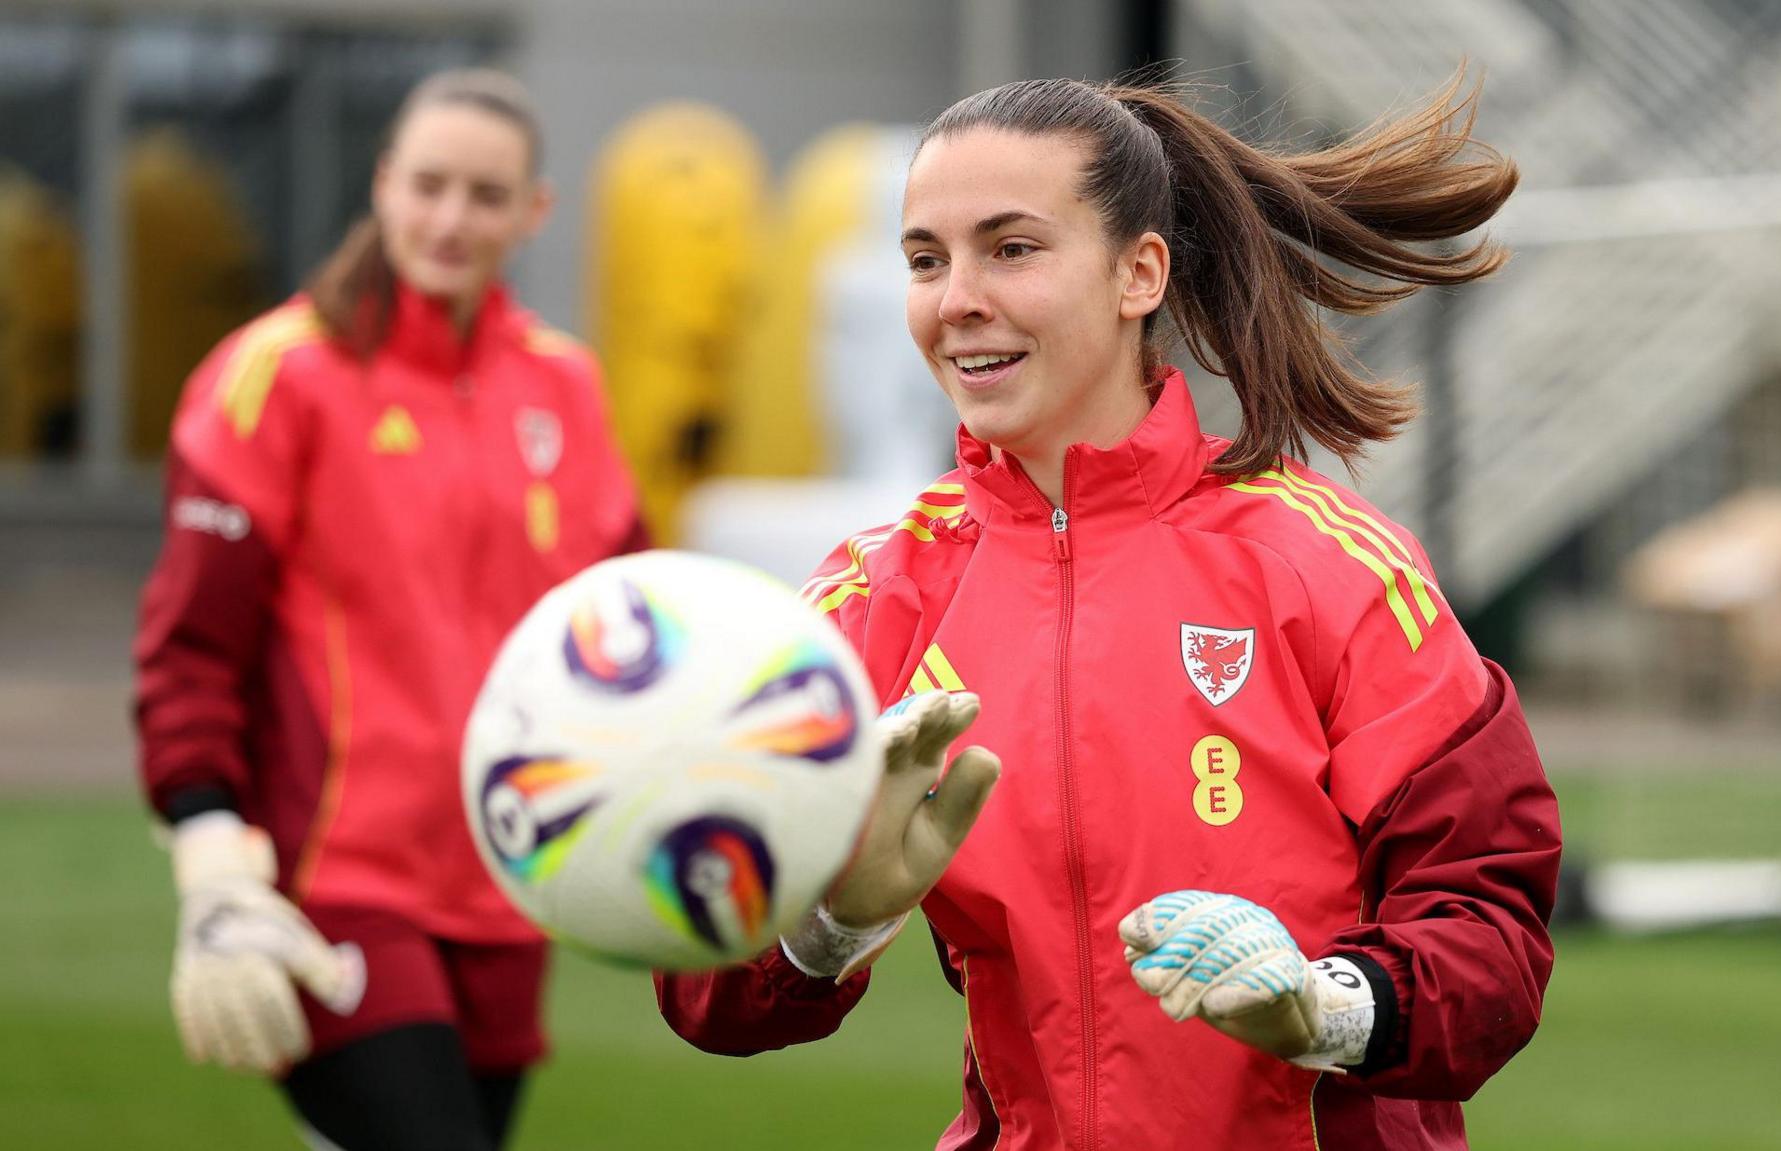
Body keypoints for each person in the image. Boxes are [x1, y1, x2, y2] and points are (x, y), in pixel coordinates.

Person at [656, 75, 1559, 1150]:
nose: (957, 300)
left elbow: (1490, 932)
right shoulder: (874, 597)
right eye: (925, 259)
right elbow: (707, 986)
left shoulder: (1330, 567)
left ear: (1138, 273)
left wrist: (1325, 1005)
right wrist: (827, 924)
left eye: (1012, 248)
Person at [133, 69, 643, 1151]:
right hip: (334, 878)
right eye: (428, 185)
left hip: (512, 882)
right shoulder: (276, 374)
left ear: (532, 211)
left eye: (485, 194)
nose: (451, 219)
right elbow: (190, 646)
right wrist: (212, 853)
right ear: (382, 184)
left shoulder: (566, 385)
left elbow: (629, 624)